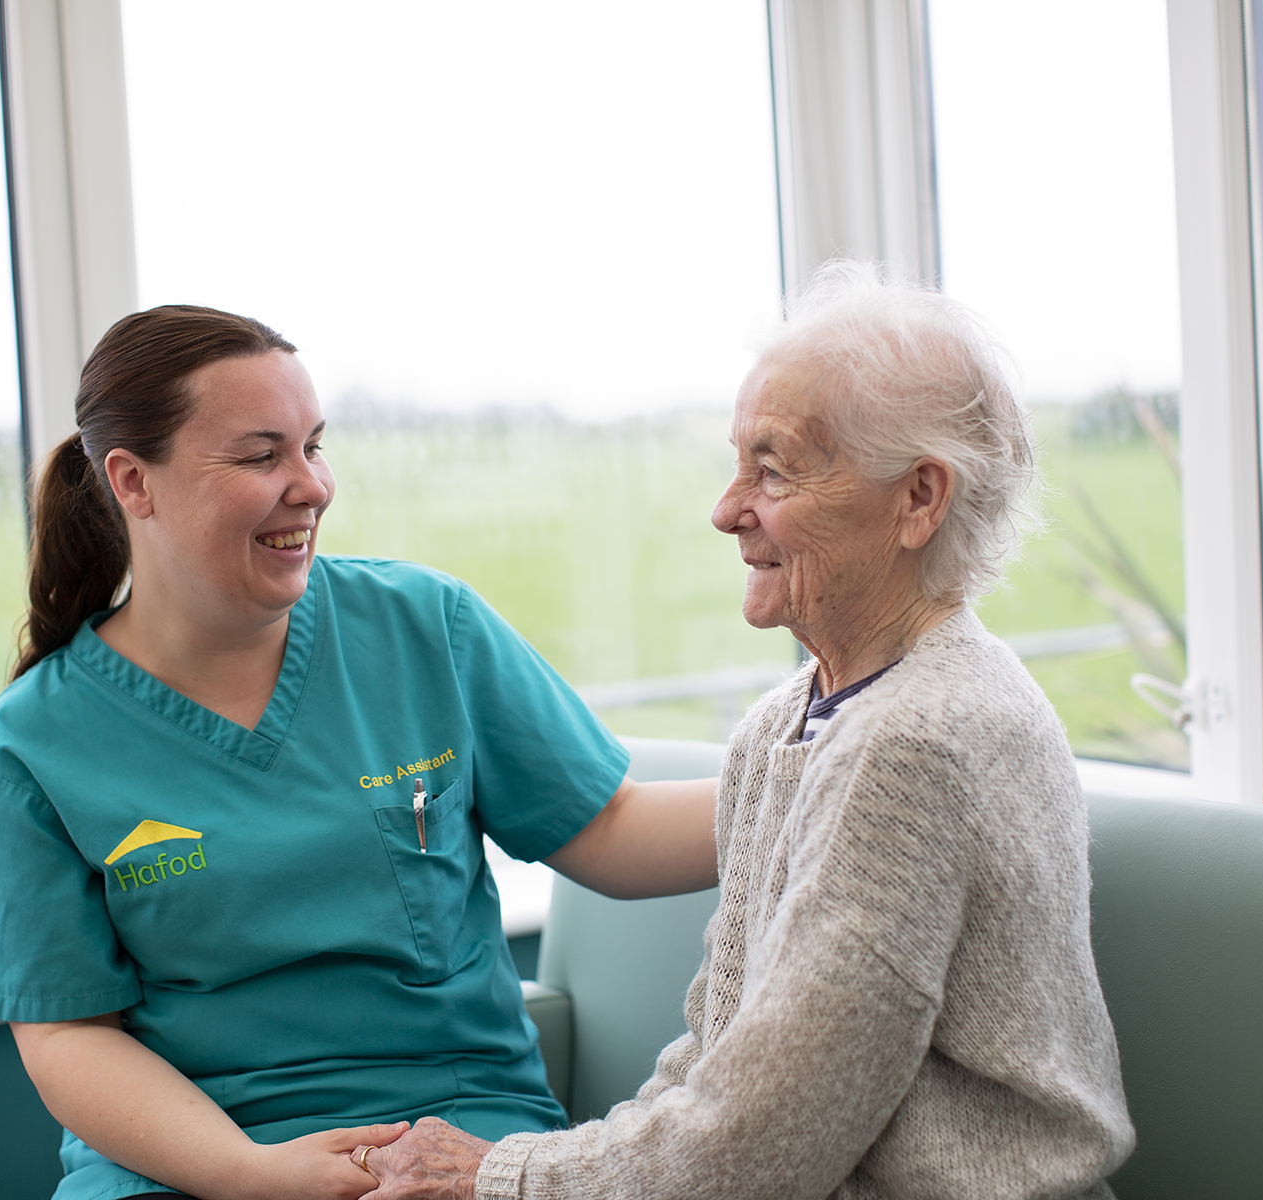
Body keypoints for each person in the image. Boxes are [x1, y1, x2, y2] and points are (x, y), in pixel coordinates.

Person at [359, 262, 1137, 1200]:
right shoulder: (793, 718)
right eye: (736, 465)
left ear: (919, 500)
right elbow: (718, 1059)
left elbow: (753, 1147)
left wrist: (501, 1176)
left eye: (773, 469)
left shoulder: (918, 743)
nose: (727, 510)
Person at [0, 305, 719, 1200]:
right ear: (132, 481)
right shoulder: (30, 748)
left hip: (448, 1137)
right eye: (261, 455)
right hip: (191, 1163)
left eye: (314, 446)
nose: (311, 486)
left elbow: (612, 825)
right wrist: (248, 1173)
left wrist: (823, 774)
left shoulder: (427, 628)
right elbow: (69, 1037)